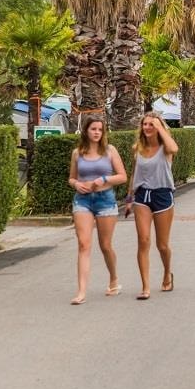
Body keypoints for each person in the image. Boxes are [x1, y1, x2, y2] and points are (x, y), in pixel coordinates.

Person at [67, 116, 127, 305]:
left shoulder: (110, 151)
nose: (97, 133)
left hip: (105, 200)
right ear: (86, 130)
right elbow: (71, 178)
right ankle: (81, 292)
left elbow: (122, 176)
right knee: (83, 245)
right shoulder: (77, 153)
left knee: (105, 245)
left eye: (100, 130)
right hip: (82, 201)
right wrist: (76, 184)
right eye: (93, 129)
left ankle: (114, 279)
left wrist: (104, 179)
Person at [125, 112, 179, 300]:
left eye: (152, 125)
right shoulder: (138, 148)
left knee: (162, 245)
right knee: (143, 240)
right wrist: (129, 199)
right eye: (145, 124)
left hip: (162, 195)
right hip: (142, 196)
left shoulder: (166, 148)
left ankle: (167, 273)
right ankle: (145, 287)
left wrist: (160, 127)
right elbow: (134, 174)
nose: (147, 127)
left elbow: (174, 148)